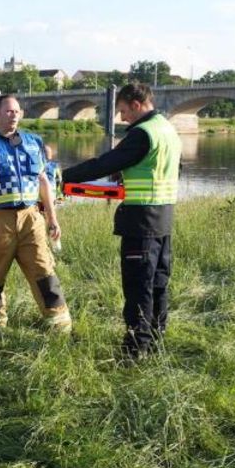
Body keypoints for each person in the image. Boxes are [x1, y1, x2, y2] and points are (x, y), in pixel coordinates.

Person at [62, 83, 182, 360]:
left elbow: (104, 163)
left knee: (138, 287)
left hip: (141, 223)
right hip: (164, 220)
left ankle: (134, 351)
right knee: (158, 286)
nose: (122, 117)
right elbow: (169, 167)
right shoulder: (167, 129)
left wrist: (63, 177)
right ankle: (154, 342)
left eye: (124, 111)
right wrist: (129, 170)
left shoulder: (142, 133)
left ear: (137, 105)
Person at [0, 94, 71, 333]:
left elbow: (44, 182)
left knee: (43, 270)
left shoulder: (34, 142)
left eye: (17, 111)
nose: (14, 115)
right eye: (9, 111)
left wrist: (52, 218)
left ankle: (59, 324)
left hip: (31, 217)